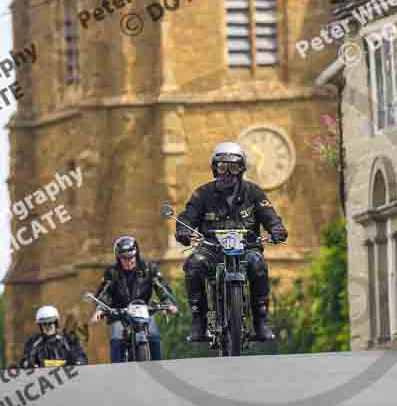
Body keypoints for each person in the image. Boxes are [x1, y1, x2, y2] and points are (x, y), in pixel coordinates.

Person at [175, 142, 288, 342]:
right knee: (193, 265)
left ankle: (261, 322)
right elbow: (188, 216)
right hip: (212, 248)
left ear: (241, 169)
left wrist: (276, 228)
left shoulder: (253, 192)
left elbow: (268, 214)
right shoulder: (202, 193)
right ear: (214, 168)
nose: (227, 172)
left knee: (258, 264)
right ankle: (198, 321)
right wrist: (183, 230)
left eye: (233, 167)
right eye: (222, 167)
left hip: (246, 248)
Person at [90, 235, 178, 363]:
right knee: (116, 339)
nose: (128, 261)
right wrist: (100, 309)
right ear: (118, 257)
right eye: (124, 258)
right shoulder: (112, 272)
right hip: (120, 313)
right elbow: (105, 293)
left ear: (136, 254)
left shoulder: (149, 268)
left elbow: (161, 287)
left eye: (131, 257)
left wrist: (169, 303)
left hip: (144, 311)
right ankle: (118, 372)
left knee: (154, 336)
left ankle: (159, 365)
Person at [21, 305, 88, 368]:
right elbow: (24, 361)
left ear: (56, 323)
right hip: (43, 378)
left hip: (67, 376)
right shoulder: (33, 342)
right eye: (44, 324)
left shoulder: (68, 340)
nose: (47, 327)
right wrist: (28, 364)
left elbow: (81, 358)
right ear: (40, 326)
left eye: (50, 323)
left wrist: (77, 362)